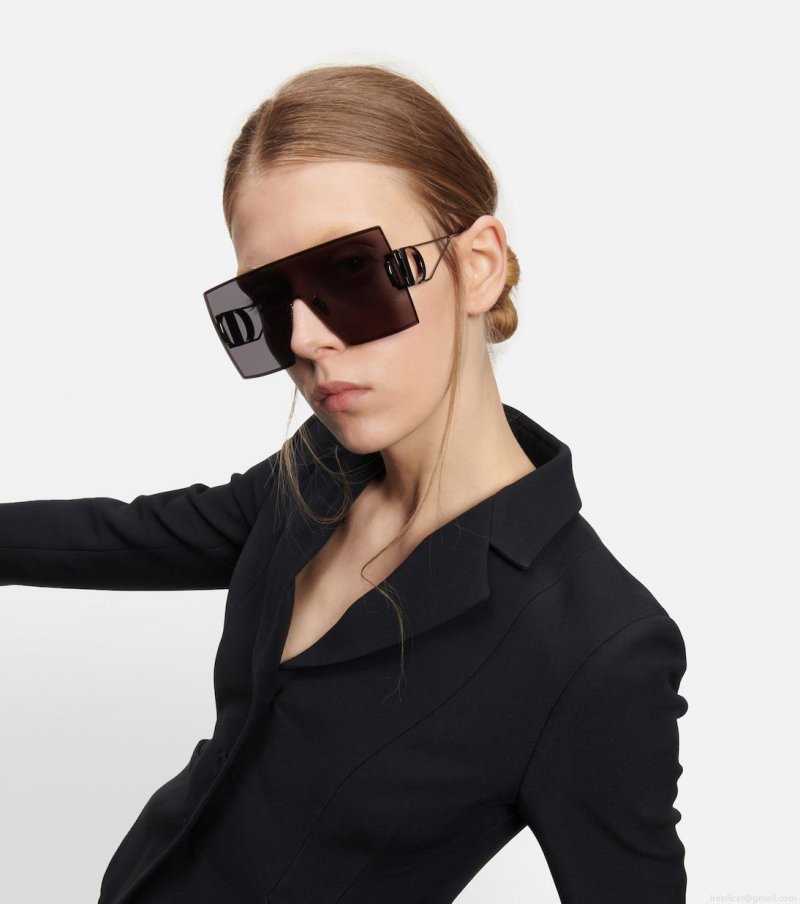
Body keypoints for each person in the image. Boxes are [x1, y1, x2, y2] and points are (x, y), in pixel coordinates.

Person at [0, 63, 689, 903]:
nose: (305, 340)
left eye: (352, 273)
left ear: (477, 265)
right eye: (267, 301)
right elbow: (125, 536)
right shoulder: (317, 474)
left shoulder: (595, 646)